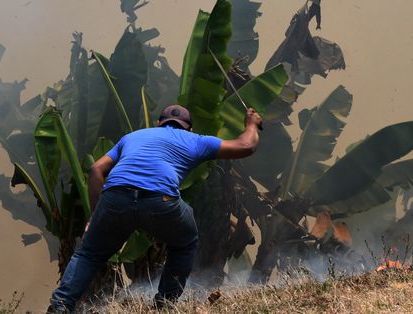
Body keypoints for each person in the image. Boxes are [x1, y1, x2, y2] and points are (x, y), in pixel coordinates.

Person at [47, 104, 263, 312]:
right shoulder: (194, 139)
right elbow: (245, 146)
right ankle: (165, 305)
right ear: (189, 128)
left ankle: (60, 306)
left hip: (116, 197)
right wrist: (251, 124)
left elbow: (95, 169)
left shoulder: (133, 137)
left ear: (158, 123)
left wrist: (95, 216)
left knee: (89, 254)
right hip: (160, 201)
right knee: (185, 242)